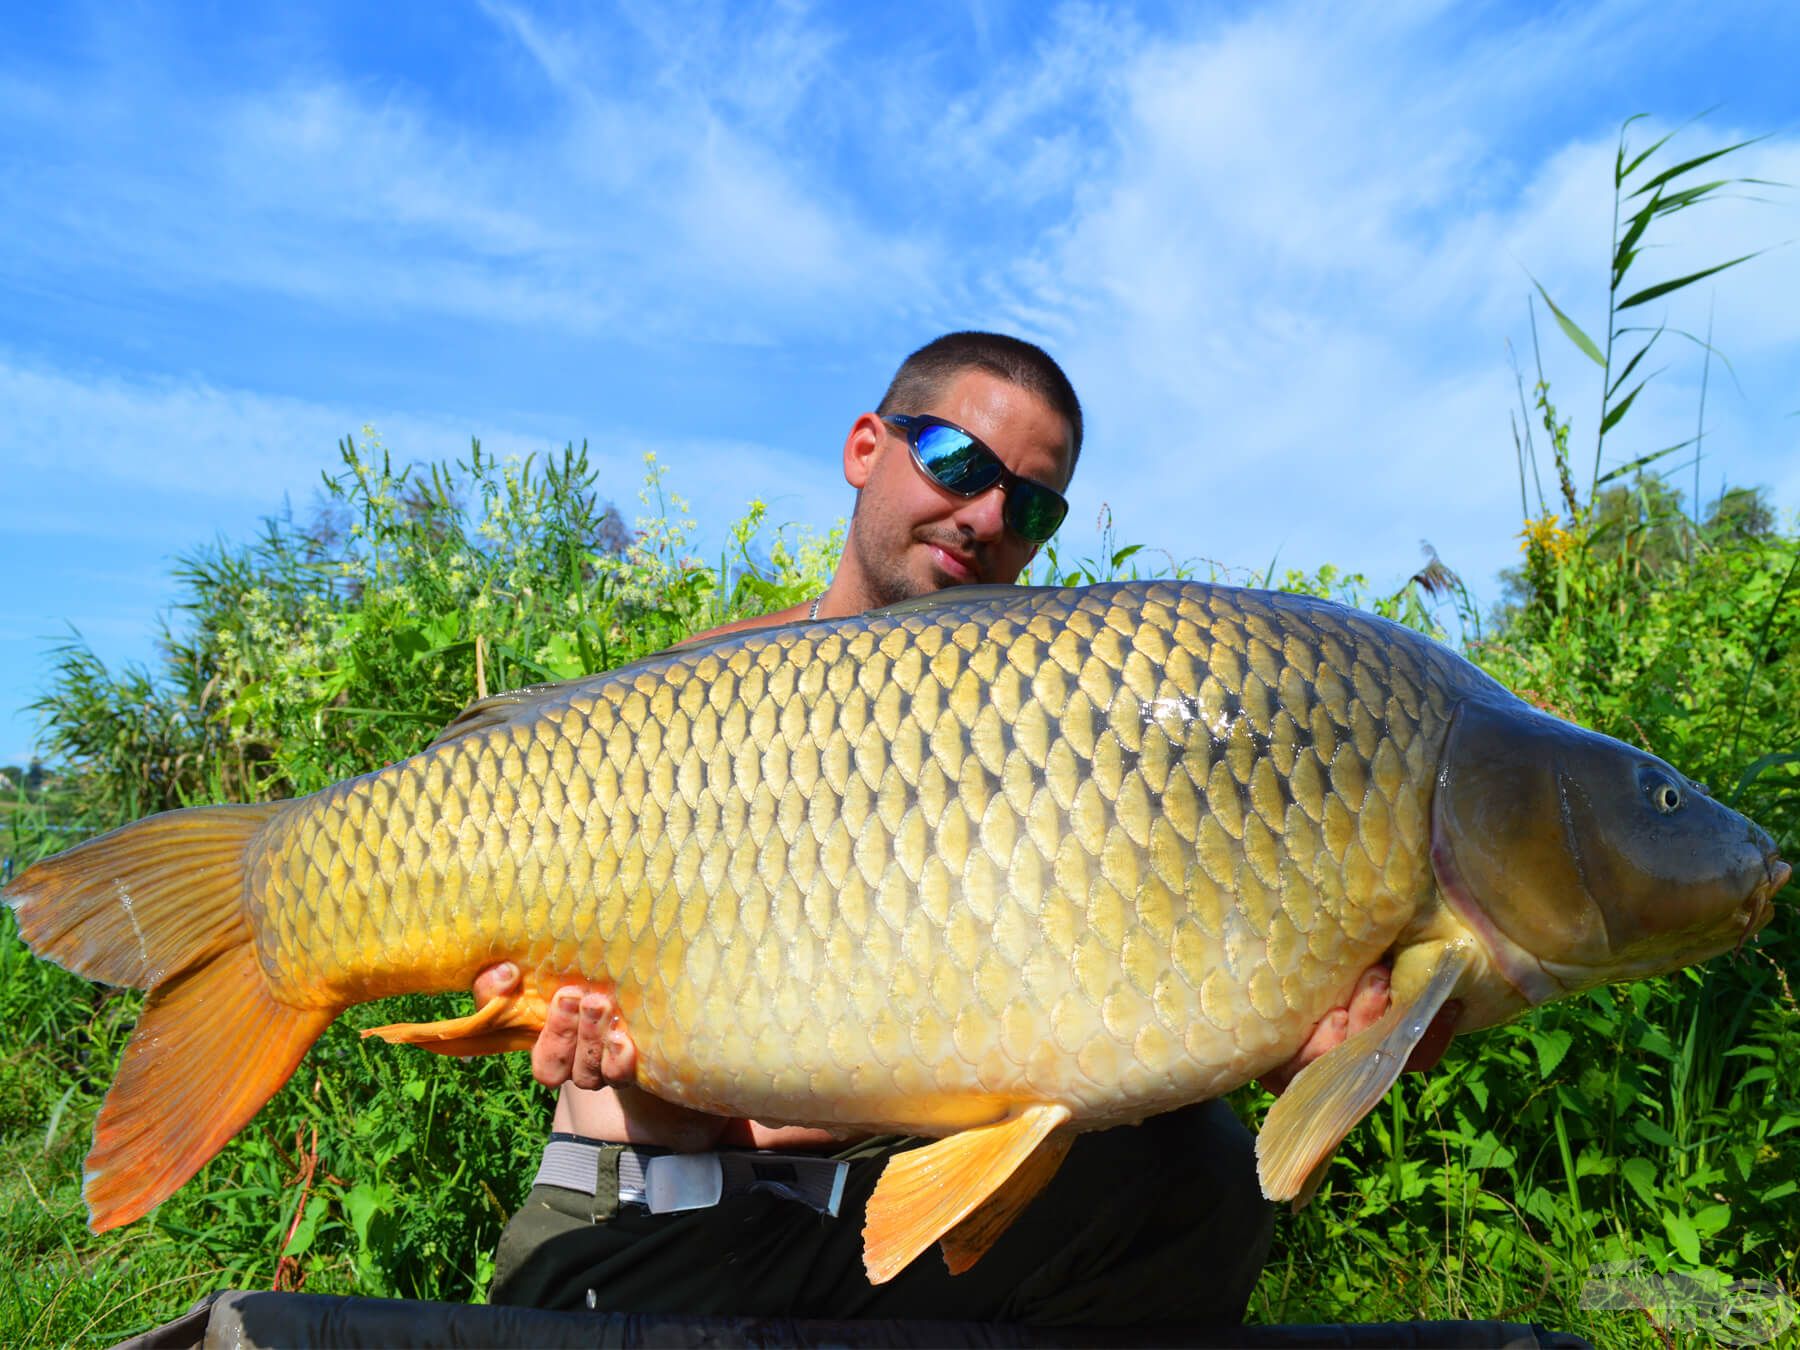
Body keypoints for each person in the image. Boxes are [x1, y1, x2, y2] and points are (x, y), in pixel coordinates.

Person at [473, 332, 1447, 1324]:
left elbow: (1096, 1021)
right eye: (956, 462)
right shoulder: (703, 697)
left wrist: (1263, 1023)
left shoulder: (1057, 730)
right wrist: (565, 1028)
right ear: (865, 448)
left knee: (1199, 1174)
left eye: (1029, 504)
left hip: (889, 1218)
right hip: (656, 1219)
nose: (984, 515)